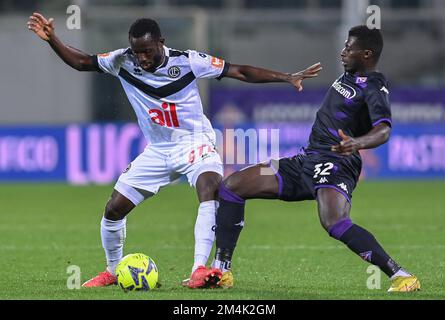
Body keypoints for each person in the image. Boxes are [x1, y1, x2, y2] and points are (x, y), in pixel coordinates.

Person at [27, 13, 322, 289]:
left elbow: (240, 71)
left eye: (147, 51)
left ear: (161, 43)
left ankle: (199, 270)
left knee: (210, 188)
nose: (141, 58)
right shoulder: (121, 60)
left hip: (195, 142)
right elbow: (81, 62)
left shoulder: (189, 61)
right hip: (157, 150)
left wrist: (286, 77)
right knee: (113, 209)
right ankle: (114, 270)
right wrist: (53, 38)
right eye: (136, 52)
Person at [211, 25, 420, 292]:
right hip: (304, 162)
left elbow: (384, 130)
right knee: (233, 186)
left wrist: (356, 143)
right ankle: (221, 270)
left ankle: (401, 275)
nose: (343, 51)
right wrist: (289, 77)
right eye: (344, 45)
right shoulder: (348, 76)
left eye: (349, 47)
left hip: (335, 163)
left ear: (367, 54)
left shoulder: (374, 86)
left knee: (334, 222)